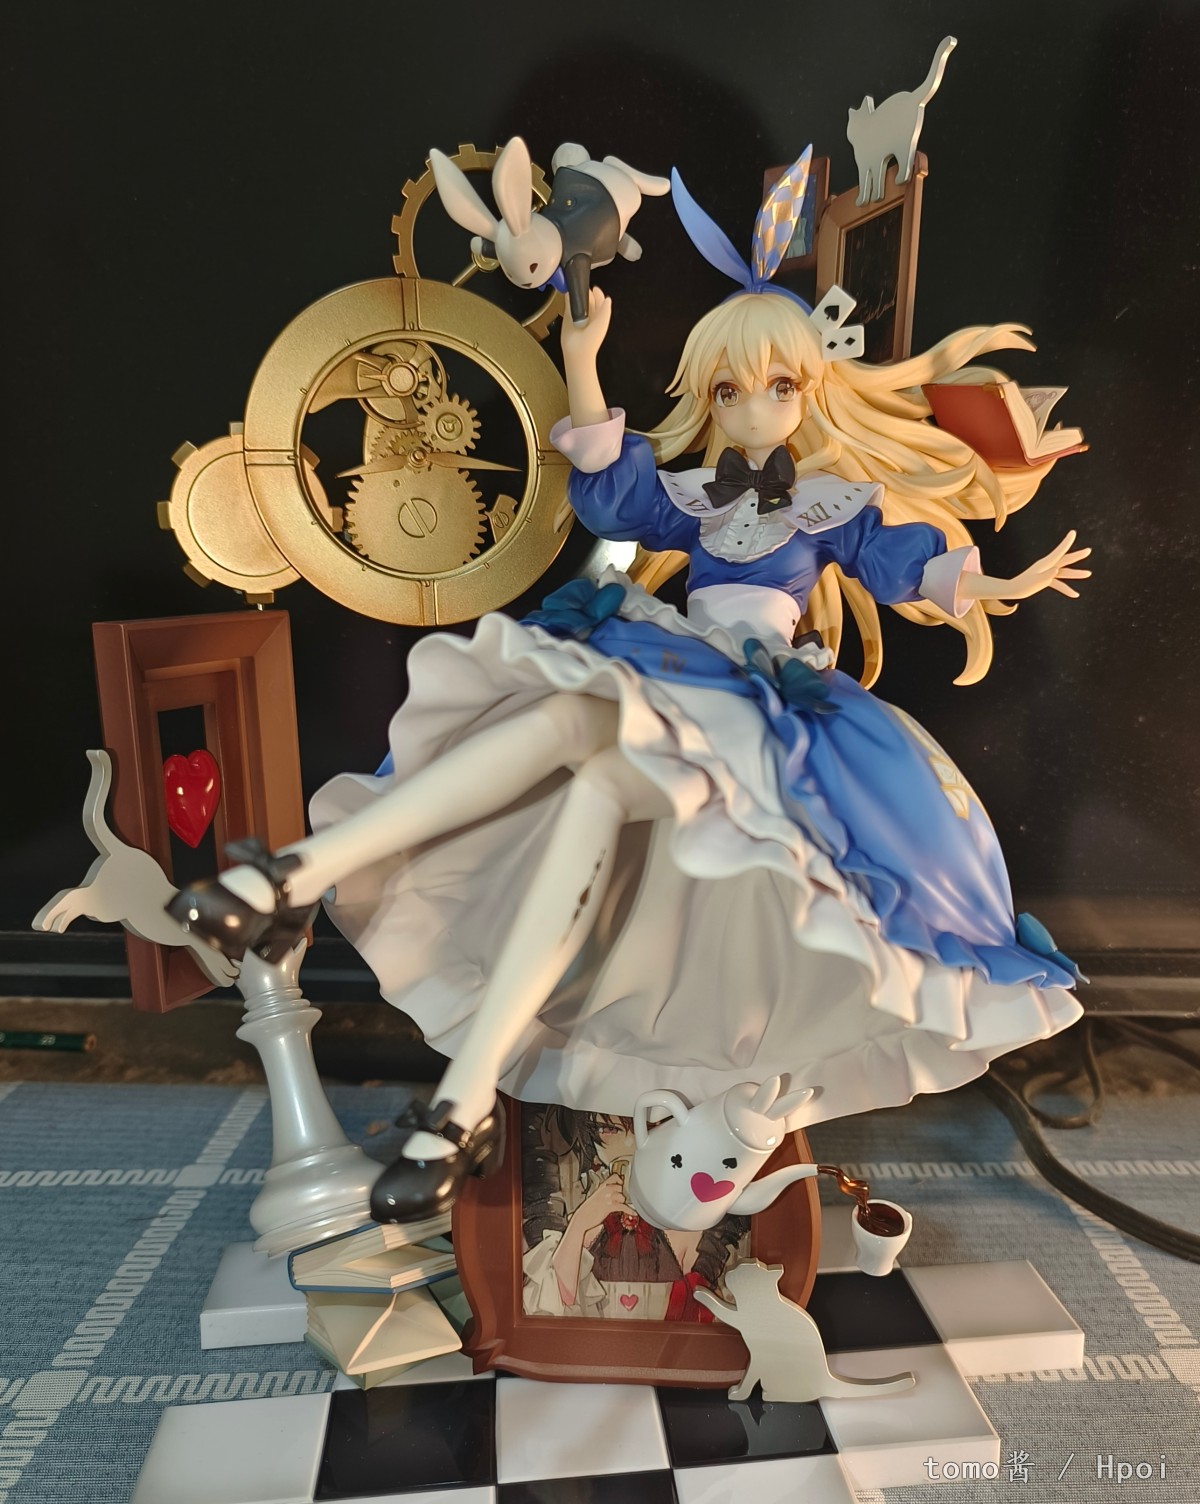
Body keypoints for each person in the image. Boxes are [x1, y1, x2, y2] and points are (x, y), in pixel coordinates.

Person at [171, 149, 1089, 1224]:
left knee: (584, 740)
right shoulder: (696, 494)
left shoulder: (826, 505)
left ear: (811, 390)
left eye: (778, 387)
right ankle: (422, 1050)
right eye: (729, 390)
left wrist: (995, 580)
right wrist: (582, 352)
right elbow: (614, 497)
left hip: (760, 705)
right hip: (676, 659)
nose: (753, 410)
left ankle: (317, 913)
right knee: (578, 746)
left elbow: (901, 563)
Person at [521, 1107, 747, 1320]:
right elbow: (558, 1301)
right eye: (608, 1129)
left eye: (648, 1128)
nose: (630, 1142)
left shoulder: (685, 1223)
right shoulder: (587, 1221)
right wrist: (581, 1221)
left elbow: (696, 1305)